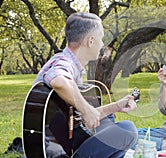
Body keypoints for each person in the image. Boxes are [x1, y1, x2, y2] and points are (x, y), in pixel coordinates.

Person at [34, 12, 137, 157]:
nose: (102, 44)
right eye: (101, 39)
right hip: (56, 150)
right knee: (127, 129)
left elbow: (77, 118)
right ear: (90, 41)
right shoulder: (64, 63)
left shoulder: (73, 67)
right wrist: (87, 110)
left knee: (109, 121)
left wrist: (117, 106)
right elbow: (58, 80)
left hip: (65, 139)